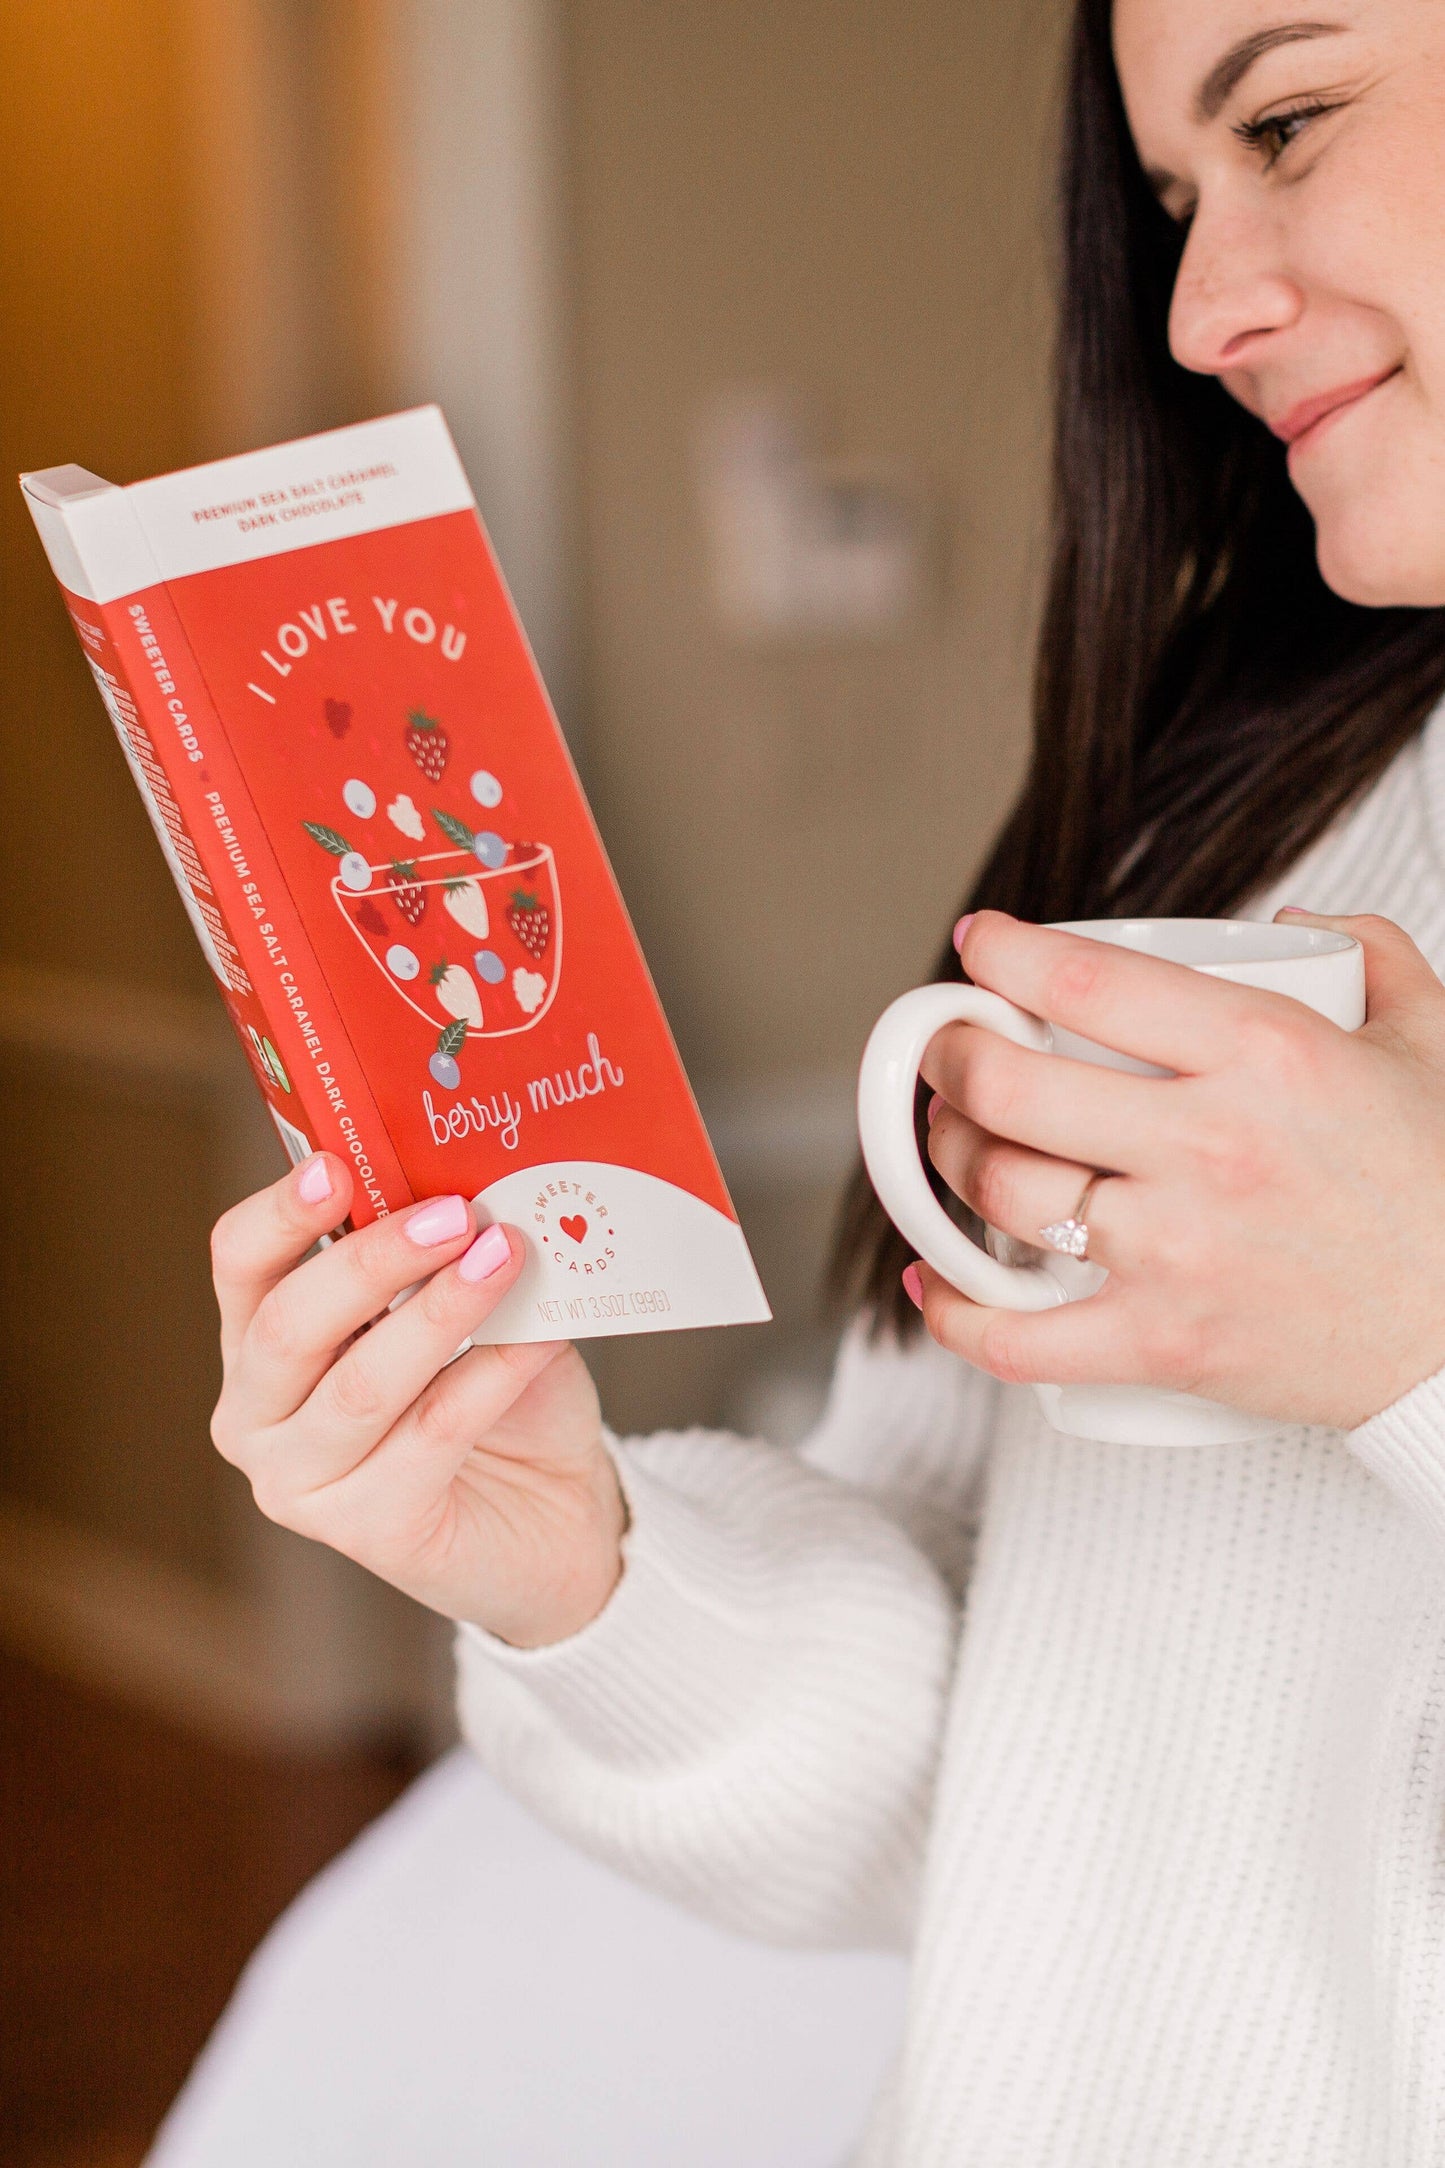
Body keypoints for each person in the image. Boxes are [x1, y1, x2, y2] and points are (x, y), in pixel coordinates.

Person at [207, 0, 1445, 2157]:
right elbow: (1004, 1802)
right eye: (1170, 198)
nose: (1199, 308)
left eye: (1295, 117)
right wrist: (584, 1573)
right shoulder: (1231, 829)